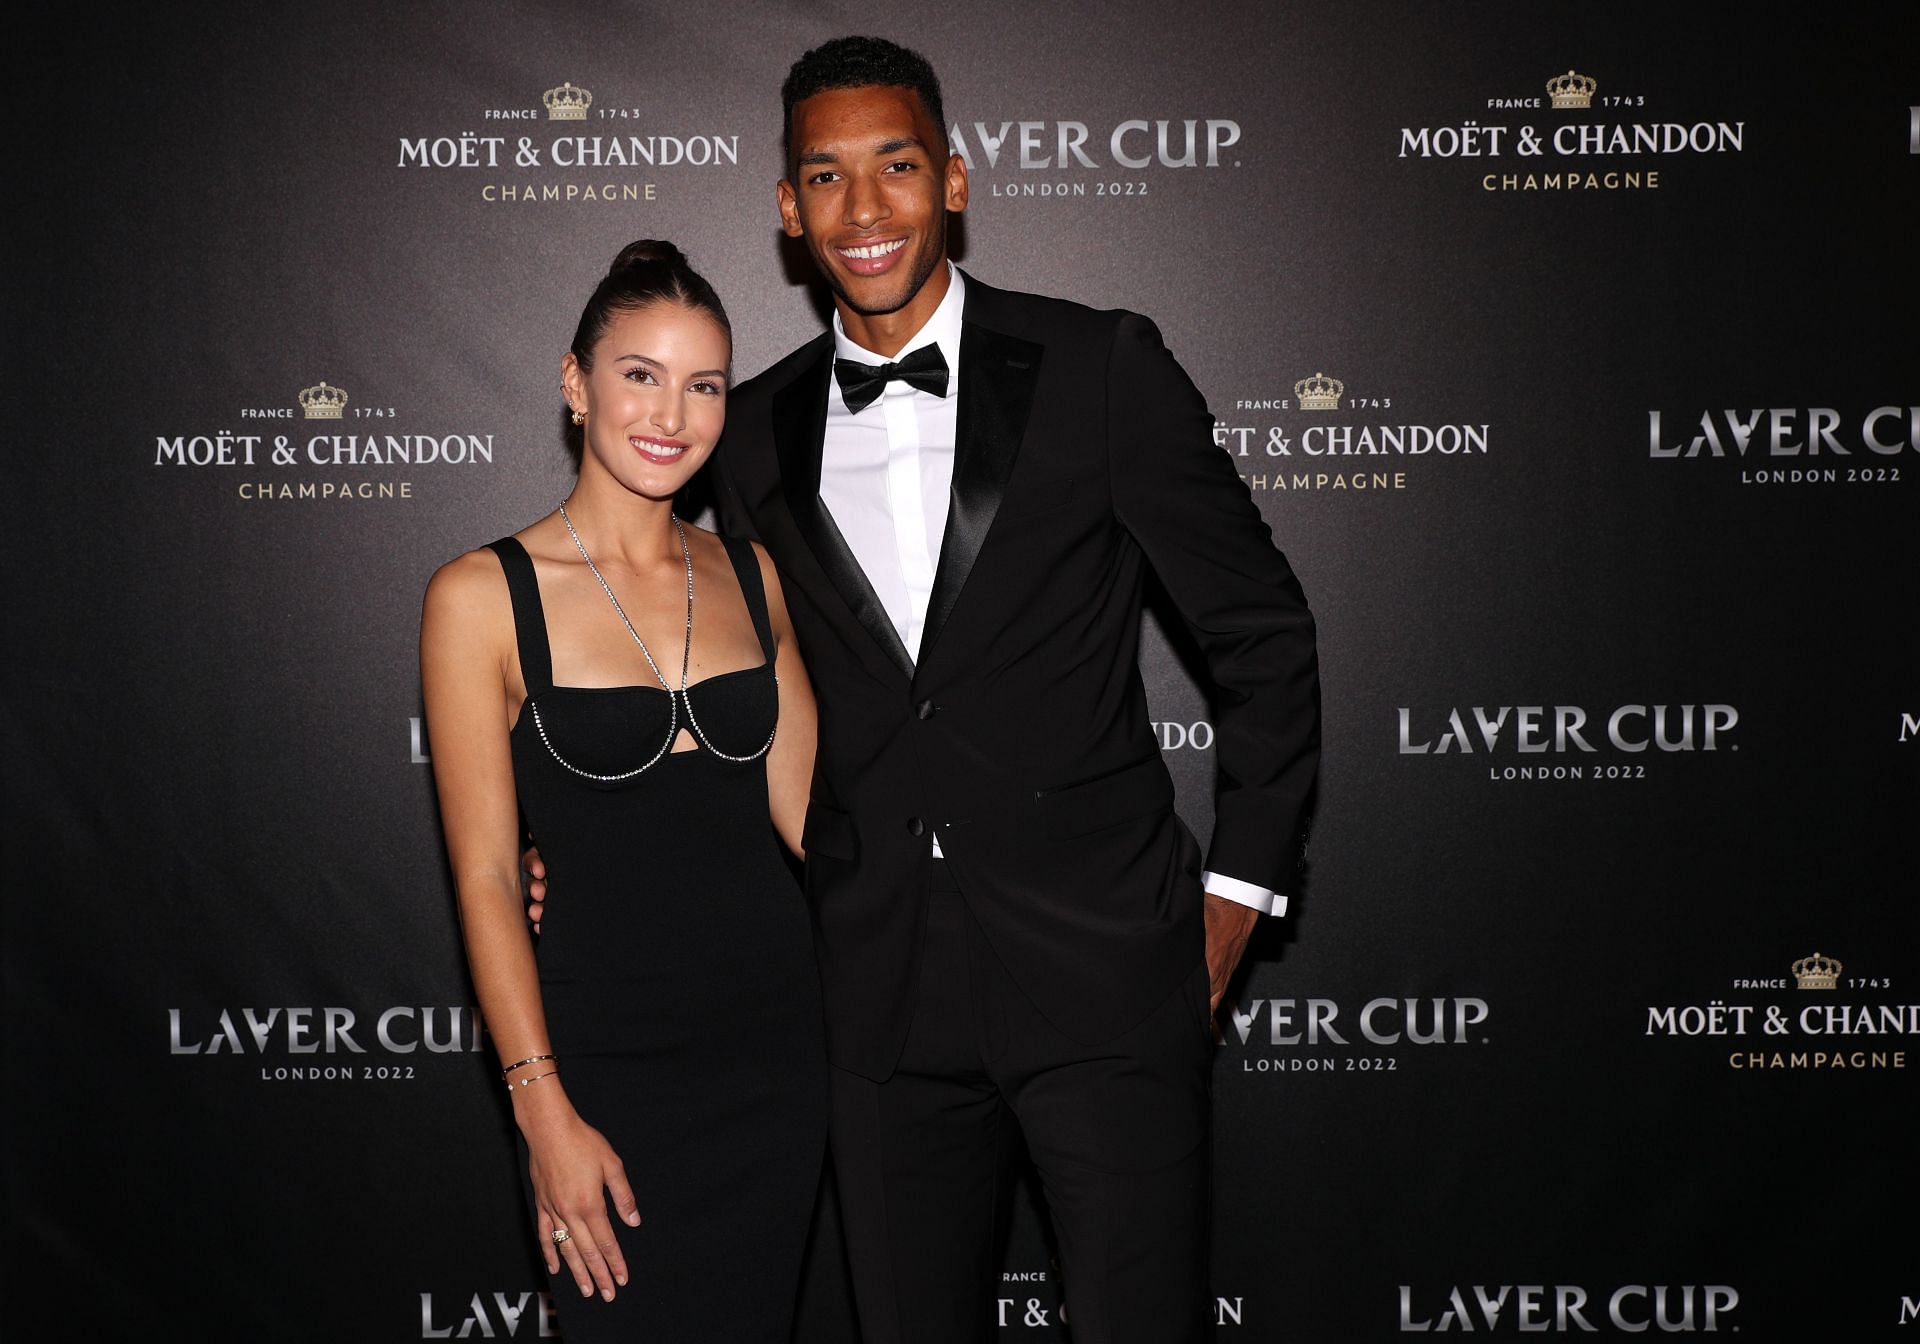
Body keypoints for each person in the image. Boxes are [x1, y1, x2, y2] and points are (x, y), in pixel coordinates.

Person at [534, 37, 1320, 1344]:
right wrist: (569, 848)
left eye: (895, 167)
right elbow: (672, 656)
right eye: (825, 178)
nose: (865, 209)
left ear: (952, 179)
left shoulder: (1101, 368)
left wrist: (1233, 904)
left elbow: (1264, 638)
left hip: (1109, 983)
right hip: (872, 1002)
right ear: (787, 210)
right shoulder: (753, 431)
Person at [421, 241, 826, 1342]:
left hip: (792, 1059)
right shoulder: (481, 596)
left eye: (703, 385)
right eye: (639, 374)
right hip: (605, 1071)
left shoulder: (752, 573)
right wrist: (540, 1107)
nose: (672, 413)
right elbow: (489, 876)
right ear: (574, 383)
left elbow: (818, 825)